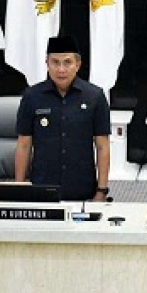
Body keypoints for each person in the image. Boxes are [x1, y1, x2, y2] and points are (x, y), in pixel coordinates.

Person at [15, 35, 111, 201]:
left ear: (78, 65)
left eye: (67, 62)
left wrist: (101, 191)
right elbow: (24, 145)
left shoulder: (95, 96)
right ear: (47, 64)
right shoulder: (31, 96)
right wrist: (19, 188)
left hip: (83, 191)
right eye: (55, 62)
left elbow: (102, 146)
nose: (61, 69)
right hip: (41, 190)